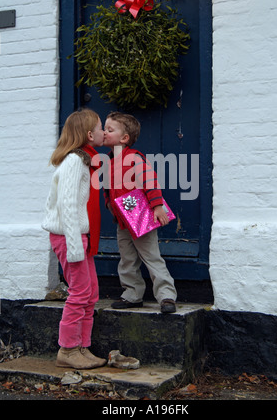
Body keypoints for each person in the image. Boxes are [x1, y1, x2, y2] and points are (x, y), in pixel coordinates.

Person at [42, 108, 107, 369]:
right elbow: (68, 205)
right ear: (90, 134)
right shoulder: (73, 162)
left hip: (81, 237)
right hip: (70, 238)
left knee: (91, 293)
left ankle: (82, 346)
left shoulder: (85, 160)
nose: (104, 132)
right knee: (79, 293)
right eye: (102, 127)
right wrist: (74, 247)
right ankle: (67, 350)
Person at [103, 111, 177, 313]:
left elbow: (149, 181)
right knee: (127, 259)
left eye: (109, 129)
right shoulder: (108, 162)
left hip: (140, 218)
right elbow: (108, 189)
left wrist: (157, 206)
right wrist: (109, 205)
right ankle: (132, 294)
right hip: (123, 222)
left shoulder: (133, 158)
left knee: (151, 257)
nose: (104, 132)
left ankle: (166, 295)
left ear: (124, 138)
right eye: (104, 129)